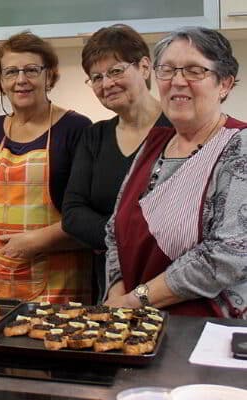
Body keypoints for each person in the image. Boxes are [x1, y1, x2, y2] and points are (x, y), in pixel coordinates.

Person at [104, 27, 247, 318]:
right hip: (135, 324)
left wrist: (135, 300)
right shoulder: (155, 143)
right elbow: (114, 232)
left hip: (203, 332)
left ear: (225, 84)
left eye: (194, 71)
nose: (178, 81)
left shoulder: (239, 145)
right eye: (166, 70)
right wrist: (117, 293)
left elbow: (228, 254)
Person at [0, 32, 93, 303]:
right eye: (11, 72)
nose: (21, 80)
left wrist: (38, 241)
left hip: (56, 277)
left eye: (31, 70)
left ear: (50, 75)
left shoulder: (76, 129)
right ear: (0, 80)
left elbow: (92, 217)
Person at [62, 24, 171, 300]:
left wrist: (116, 238)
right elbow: (73, 214)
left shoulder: (179, 129)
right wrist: (132, 241)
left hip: (171, 285)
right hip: (111, 288)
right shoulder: (94, 137)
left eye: (115, 71)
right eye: (96, 77)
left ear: (145, 67)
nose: (106, 84)